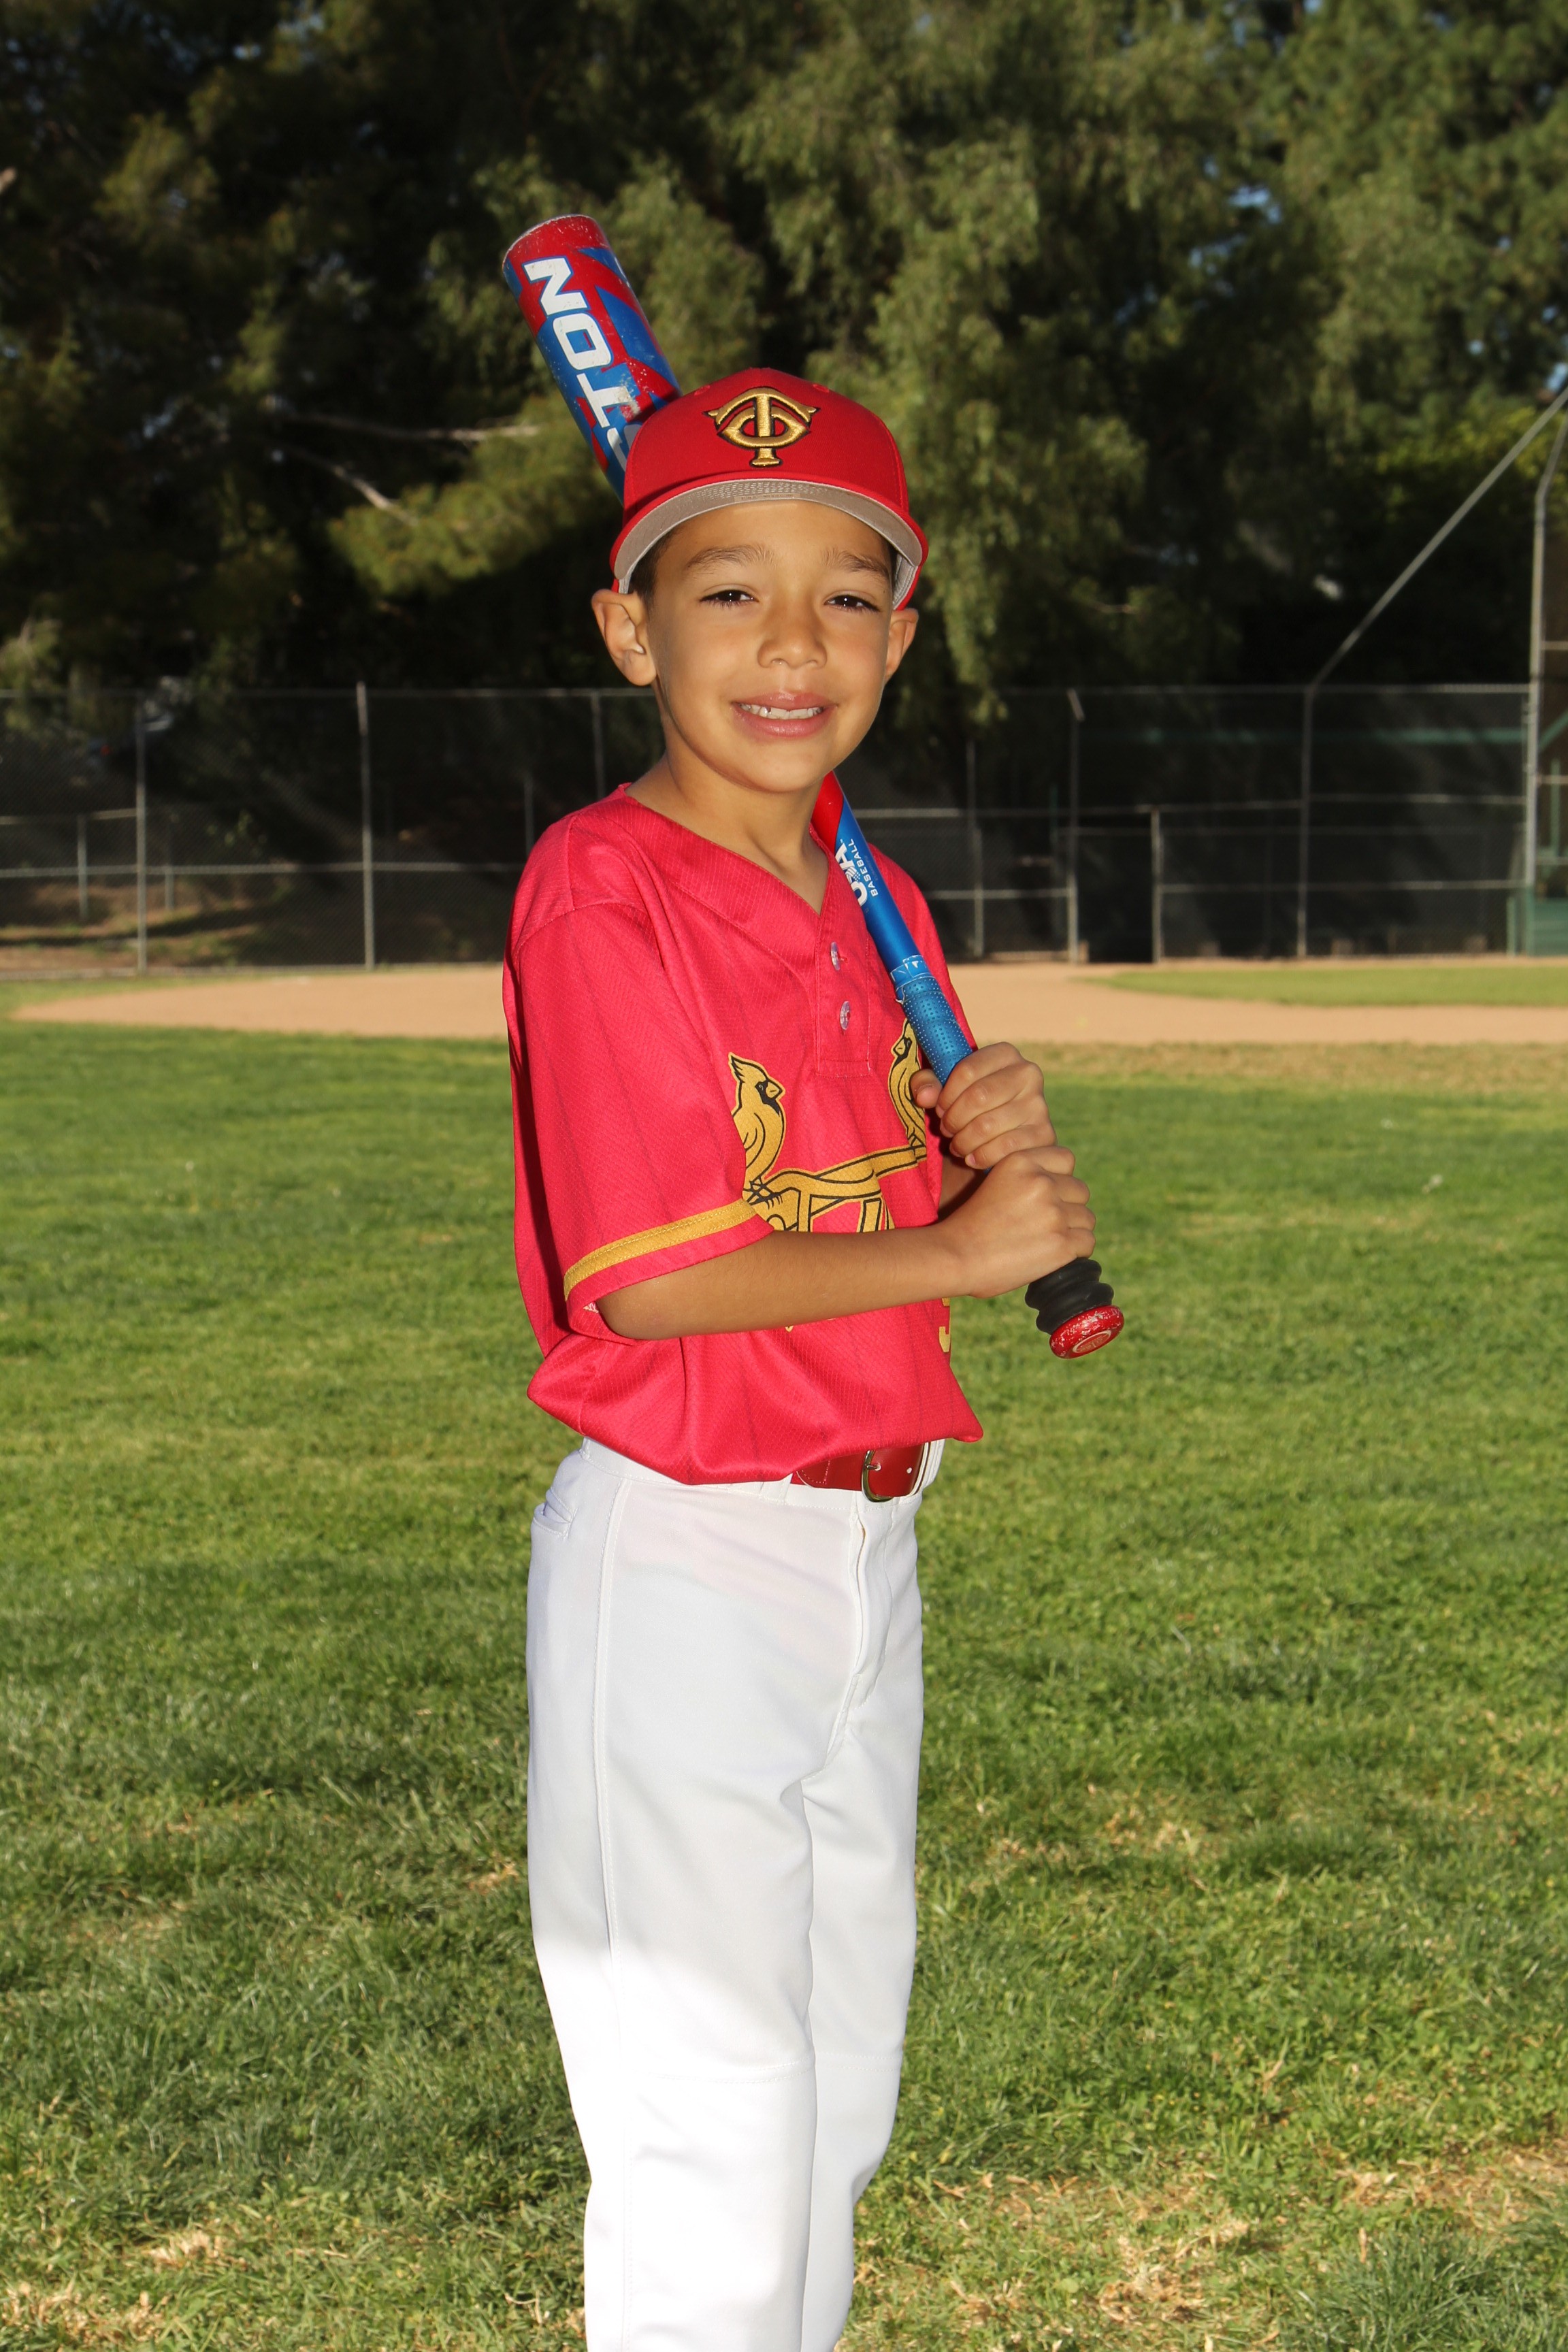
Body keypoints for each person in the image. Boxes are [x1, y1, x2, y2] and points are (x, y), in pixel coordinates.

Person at [502, 366, 1095, 2352]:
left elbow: (850, 1188)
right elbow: (650, 1281)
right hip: (688, 1557)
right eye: (727, 591)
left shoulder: (867, 888)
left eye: (847, 596)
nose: (790, 645)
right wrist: (969, 1243)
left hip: (867, 1548)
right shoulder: (602, 884)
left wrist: (972, 1140)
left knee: (835, 2099)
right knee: (715, 2114)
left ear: (901, 636)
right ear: (632, 631)